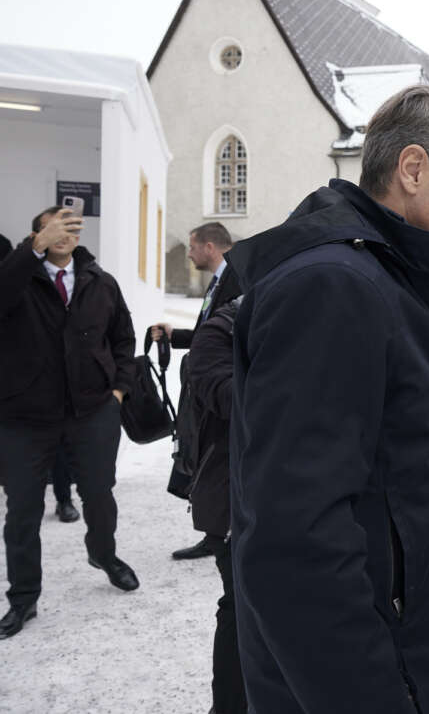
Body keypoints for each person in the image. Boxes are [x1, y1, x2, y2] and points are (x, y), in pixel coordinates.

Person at [226, 85, 429, 713]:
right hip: (371, 681)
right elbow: (296, 540)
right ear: (413, 169)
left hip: (414, 663)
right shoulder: (334, 286)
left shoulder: (405, 277)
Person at [0, 206, 139, 640]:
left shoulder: (101, 281)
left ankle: (104, 554)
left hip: (93, 409)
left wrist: (118, 391)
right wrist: (31, 250)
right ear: (36, 234)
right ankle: (23, 596)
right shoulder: (17, 277)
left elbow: (123, 338)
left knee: (99, 494)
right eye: (53, 227)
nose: (64, 233)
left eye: (72, 227)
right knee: (22, 510)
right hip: (25, 415)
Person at [151, 222, 241, 561]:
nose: (188, 254)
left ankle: (221, 535)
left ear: (209, 247)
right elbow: (210, 333)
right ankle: (214, 532)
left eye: (192, 247)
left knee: (219, 464)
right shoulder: (219, 280)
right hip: (210, 390)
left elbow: (231, 338)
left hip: (224, 393)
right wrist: (175, 336)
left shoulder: (237, 279)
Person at [185, 297, 246, 713]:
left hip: (312, 498)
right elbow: (224, 394)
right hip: (233, 498)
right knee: (241, 607)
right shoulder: (222, 328)